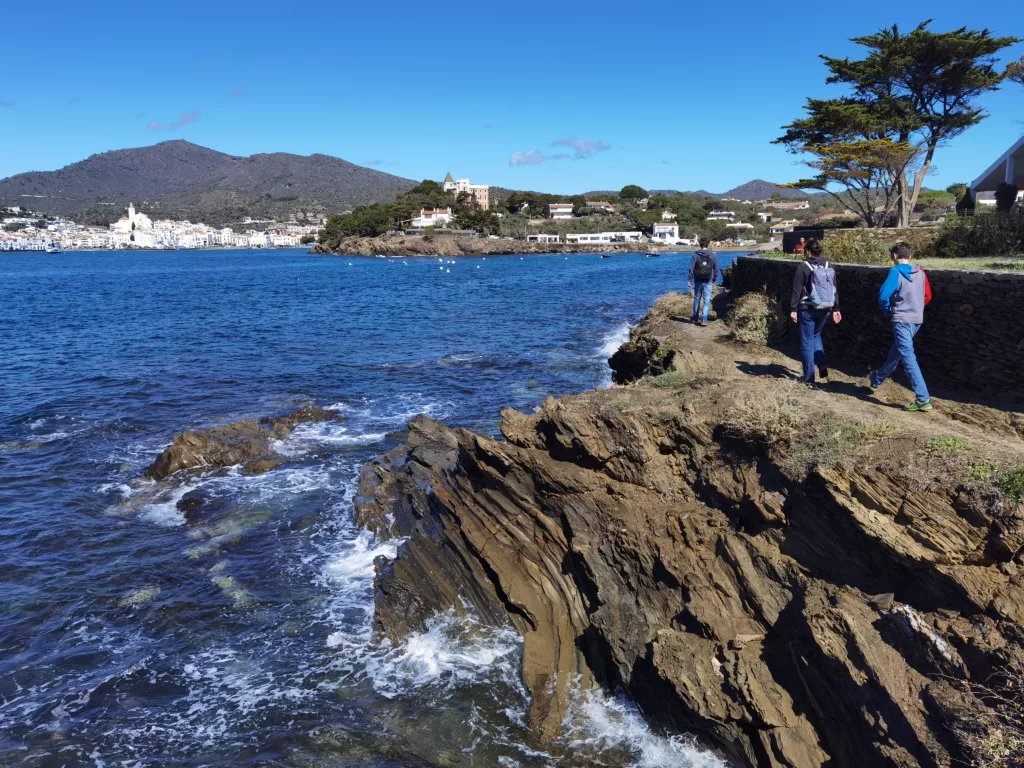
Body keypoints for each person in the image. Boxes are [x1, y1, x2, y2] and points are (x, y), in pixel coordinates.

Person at [868, 241, 933, 412]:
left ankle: (923, 398)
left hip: (901, 319)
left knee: (908, 357)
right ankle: (876, 380)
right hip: (917, 320)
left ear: (894, 256)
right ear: (910, 256)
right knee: (897, 353)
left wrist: (889, 311)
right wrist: (916, 308)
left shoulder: (895, 272)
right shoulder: (921, 272)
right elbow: (927, 296)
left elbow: (883, 296)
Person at [789, 238, 841, 383]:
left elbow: (796, 290)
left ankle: (808, 377)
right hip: (825, 307)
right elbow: (834, 289)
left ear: (807, 252)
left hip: (807, 308)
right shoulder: (828, 266)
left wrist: (793, 309)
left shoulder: (803, 267)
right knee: (816, 335)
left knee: (806, 341)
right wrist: (836, 308)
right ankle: (821, 363)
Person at [687, 238, 720, 327]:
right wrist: (714, 279)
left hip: (698, 280)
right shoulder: (713, 255)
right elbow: (716, 269)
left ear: (700, 244)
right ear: (708, 244)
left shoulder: (695, 254)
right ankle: (704, 320)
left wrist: (690, 279)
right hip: (708, 280)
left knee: (697, 299)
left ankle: (695, 318)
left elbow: (691, 268)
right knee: (706, 300)